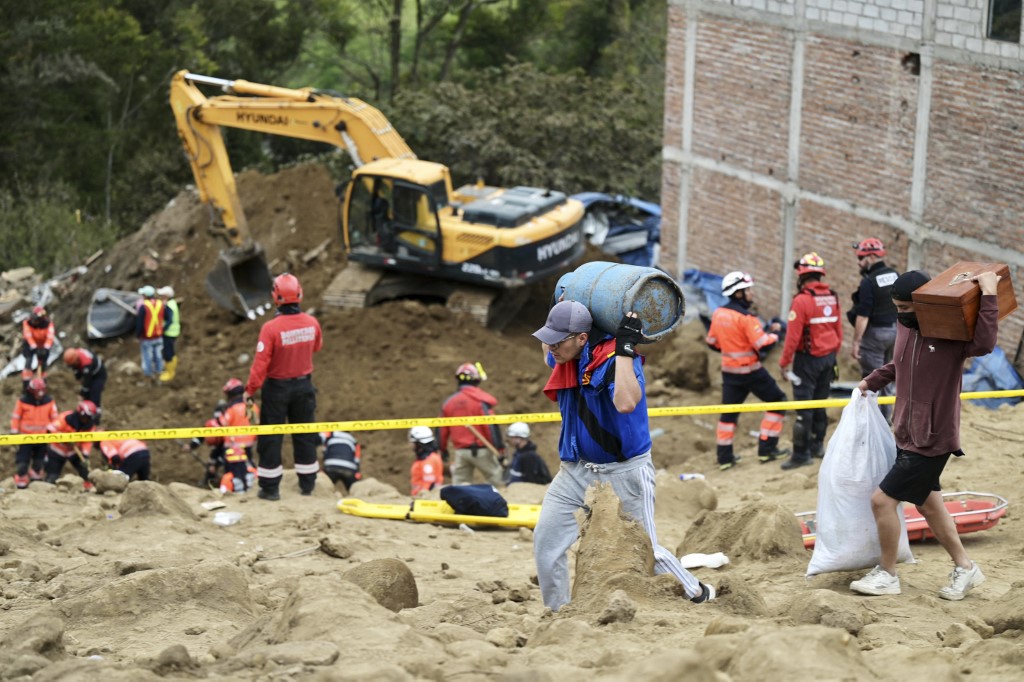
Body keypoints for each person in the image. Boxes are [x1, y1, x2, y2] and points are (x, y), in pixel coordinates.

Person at [532, 300, 714, 610]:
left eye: (557, 340)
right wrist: (561, 308)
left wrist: (626, 349)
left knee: (644, 551)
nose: (550, 348)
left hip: (624, 472)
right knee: (546, 543)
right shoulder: (564, 356)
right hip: (575, 471)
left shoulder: (615, 360)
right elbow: (550, 349)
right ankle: (558, 614)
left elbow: (627, 402)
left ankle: (698, 592)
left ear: (582, 338)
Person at [849, 270, 1000, 601]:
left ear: (923, 303)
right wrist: (872, 380)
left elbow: (985, 343)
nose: (900, 315)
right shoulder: (906, 326)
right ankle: (965, 567)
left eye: (905, 307)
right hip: (905, 431)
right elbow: (900, 365)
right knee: (930, 505)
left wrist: (989, 294)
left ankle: (888, 574)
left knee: (882, 501)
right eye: (897, 308)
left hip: (933, 437)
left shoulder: (950, 331)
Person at [244, 273, 322, 501]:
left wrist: (250, 390)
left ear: (275, 296)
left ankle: (270, 489)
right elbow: (316, 347)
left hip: (277, 389)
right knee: (305, 435)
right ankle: (308, 485)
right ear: (299, 294)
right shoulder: (312, 323)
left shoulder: (270, 329)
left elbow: (260, 365)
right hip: (304, 386)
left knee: (270, 438)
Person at [705, 271, 789, 471]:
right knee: (778, 401)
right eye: (748, 290)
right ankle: (767, 450)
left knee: (728, 415)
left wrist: (730, 348)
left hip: (729, 373)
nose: (751, 293)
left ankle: (725, 458)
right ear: (738, 293)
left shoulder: (718, 314)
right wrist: (776, 332)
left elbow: (712, 342)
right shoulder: (746, 318)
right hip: (752, 373)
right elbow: (763, 344)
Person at [778, 253, 843, 470]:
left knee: (803, 407)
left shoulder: (802, 300)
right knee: (820, 403)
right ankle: (818, 446)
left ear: (801, 276)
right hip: (828, 358)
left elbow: (792, 337)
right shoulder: (832, 297)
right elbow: (838, 331)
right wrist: (833, 355)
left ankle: (800, 454)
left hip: (806, 362)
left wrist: (784, 362)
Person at [849, 238, 899, 420]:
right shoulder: (894, 274)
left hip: (876, 336)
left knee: (872, 379)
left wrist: (856, 342)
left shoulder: (868, 282)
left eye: (861, 258)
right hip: (896, 332)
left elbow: (863, 316)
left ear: (870, 257)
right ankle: (887, 421)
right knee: (888, 378)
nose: (858, 262)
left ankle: (872, 422)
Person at [439, 362, 505, 487]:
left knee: (459, 486)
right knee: (496, 480)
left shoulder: (449, 403)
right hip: (482, 450)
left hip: (461, 452)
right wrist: (499, 447)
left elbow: (441, 429)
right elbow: (490, 427)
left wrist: (442, 449)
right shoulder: (481, 401)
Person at [10, 378, 58, 488]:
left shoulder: (49, 401)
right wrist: (14, 432)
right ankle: (21, 481)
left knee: (39, 462)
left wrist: (53, 431)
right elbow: (16, 417)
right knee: (22, 462)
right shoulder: (23, 401)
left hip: (42, 437)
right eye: (37, 393)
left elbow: (55, 418)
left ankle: (36, 483)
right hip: (26, 437)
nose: (39, 395)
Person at [45, 400, 99, 490]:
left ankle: (88, 488)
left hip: (74, 452)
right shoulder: (65, 418)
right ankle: (49, 489)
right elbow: (50, 430)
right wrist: (64, 439)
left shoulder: (89, 425)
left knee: (84, 470)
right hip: (57, 451)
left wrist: (85, 455)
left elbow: (87, 441)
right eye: (86, 417)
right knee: (52, 475)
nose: (87, 420)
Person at [219, 378, 259, 494]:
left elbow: (222, 424)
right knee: (249, 469)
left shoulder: (230, 409)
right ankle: (250, 489)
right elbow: (257, 422)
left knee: (231, 474)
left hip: (232, 447)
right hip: (249, 445)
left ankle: (232, 490)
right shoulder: (252, 406)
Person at [135, 285, 170, 382]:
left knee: (147, 357)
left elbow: (140, 323)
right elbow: (167, 318)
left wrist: (138, 335)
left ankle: (149, 375)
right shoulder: (160, 304)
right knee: (158, 355)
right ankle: (159, 372)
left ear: (146, 295)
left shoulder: (144, 307)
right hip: (158, 335)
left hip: (147, 337)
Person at [189, 401, 228, 488]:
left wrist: (217, 464)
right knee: (211, 463)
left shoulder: (228, 425)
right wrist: (191, 446)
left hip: (228, 448)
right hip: (218, 448)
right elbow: (200, 436)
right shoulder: (211, 424)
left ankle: (226, 483)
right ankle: (208, 481)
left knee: (225, 463)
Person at [63, 347, 108, 418]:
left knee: (94, 395)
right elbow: (77, 372)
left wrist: (82, 394)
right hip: (89, 373)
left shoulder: (86, 363)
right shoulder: (75, 356)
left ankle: (96, 416)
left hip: (98, 375)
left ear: (76, 360)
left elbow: (87, 382)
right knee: (87, 395)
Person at [20, 306, 55, 389]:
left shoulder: (48, 324)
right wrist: (34, 347)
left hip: (43, 345)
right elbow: (28, 335)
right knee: (29, 360)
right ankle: (26, 382)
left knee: (43, 362)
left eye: (35, 320)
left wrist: (45, 348)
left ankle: (42, 381)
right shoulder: (27, 322)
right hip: (29, 343)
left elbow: (50, 337)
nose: (33, 321)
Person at [409, 426, 444, 496]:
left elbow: (428, 485)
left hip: (424, 499)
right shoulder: (429, 457)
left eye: (413, 443)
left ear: (419, 443)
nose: (411, 445)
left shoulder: (428, 461)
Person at [157, 286, 181, 382]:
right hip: (173, 331)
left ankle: (170, 372)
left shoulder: (169, 306)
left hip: (169, 332)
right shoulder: (173, 303)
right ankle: (170, 370)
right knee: (170, 351)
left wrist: (162, 329)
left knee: (168, 353)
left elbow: (169, 320)